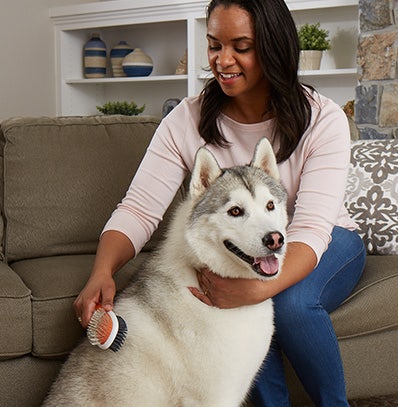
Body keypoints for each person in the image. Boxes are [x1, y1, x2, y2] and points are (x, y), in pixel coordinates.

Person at [74, 0, 366, 405]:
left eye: (241, 46)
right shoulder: (185, 121)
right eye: (214, 45)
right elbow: (139, 208)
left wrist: (254, 291)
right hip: (248, 247)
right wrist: (101, 271)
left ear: (273, 48)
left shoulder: (323, 119)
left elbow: (313, 228)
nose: (222, 60)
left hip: (329, 238)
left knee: (289, 302)